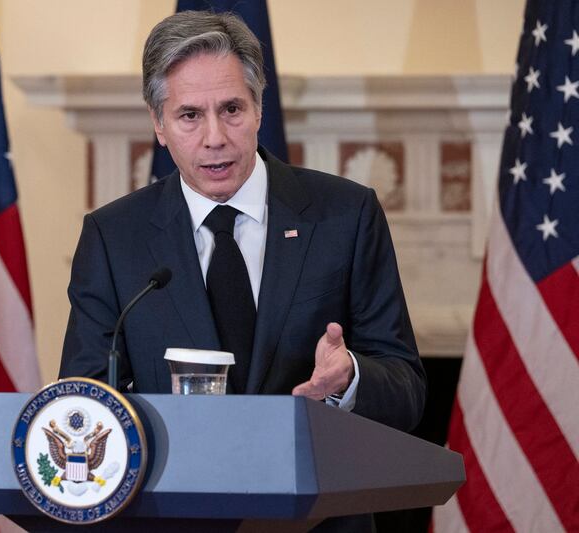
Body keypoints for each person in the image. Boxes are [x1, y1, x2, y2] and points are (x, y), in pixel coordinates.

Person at [60, 11, 425, 522]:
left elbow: (407, 388)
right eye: (189, 115)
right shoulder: (113, 237)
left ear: (258, 109)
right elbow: (86, 399)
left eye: (231, 109)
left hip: (316, 521)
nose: (215, 137)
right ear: (158, 125)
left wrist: (349, 378)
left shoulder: (346, 215)